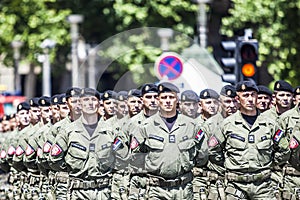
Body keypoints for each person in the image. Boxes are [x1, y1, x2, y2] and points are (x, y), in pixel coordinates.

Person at [208, 81, 290, 199]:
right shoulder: (227, 124)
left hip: (263, 186)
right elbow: (213, 150)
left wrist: (269, 163)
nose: (250, 99)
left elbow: (284, 149)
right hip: (235, 186)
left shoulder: (270, 124)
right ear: (237, 98)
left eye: (253, 95)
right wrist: (228, 164)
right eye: (245, 95)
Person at [131, 82, 208, 199]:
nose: (168, 101)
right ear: (158, 100)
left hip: (184, 189)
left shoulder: (192, 126)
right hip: (156, 190)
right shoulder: (145, 127)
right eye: (164, 97)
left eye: (171, 97)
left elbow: (202, 156)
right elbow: (136, 157)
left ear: (177, 99)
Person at [50, 88, 127, 199]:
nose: (90, 103)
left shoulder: (112, 131)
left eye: (93, 100)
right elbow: (55, 160)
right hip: (77, 192)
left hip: (104, 192)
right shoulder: (68, 131)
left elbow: (122, 159)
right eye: (86, 100)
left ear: (99, 103)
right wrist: (72, 170)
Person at [199, 85, 238, 200]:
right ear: (220, 103)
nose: (232, 105)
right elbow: (204, 153)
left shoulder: (244, 122)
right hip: (217, 180)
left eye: (234, 101)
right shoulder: (209, 125)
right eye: (227, 101)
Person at [260, 80, 294, 198]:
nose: (285, 98)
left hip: (293, 173)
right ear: (274, 97)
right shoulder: (263, 118)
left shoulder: (296, 117)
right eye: (281, 95)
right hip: (270, 172)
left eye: (288, 95)